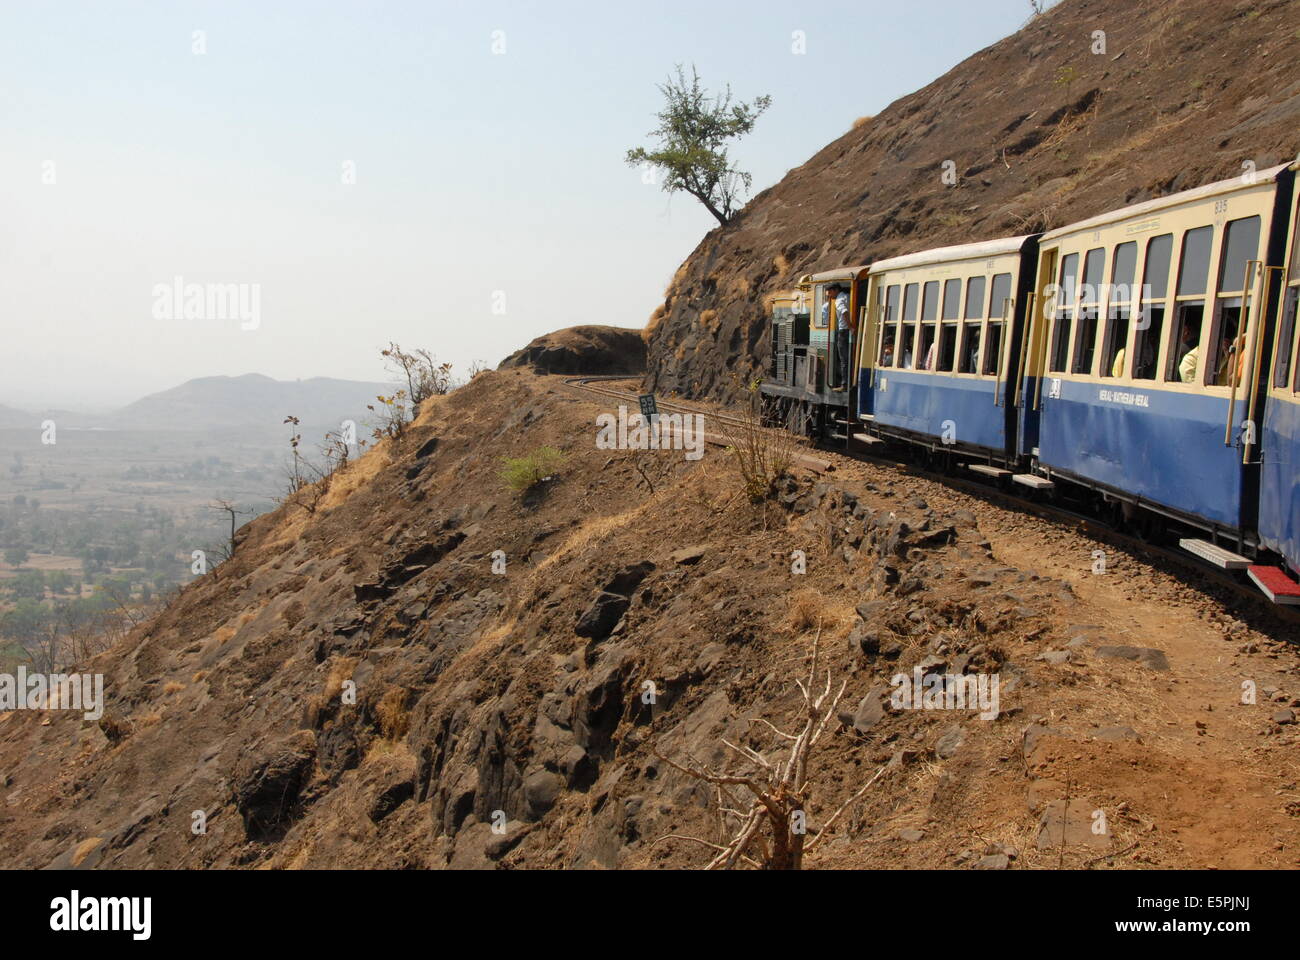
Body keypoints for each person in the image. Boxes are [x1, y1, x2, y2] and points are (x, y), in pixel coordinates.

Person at [822, 283, 851, 389]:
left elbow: (844, 311)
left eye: (829, 292)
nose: (829, 295)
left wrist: (850, 326)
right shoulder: (847, 296)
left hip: (843, 331)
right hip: (846, 330)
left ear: (835, 290)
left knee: (843, 359)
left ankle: (844, 384)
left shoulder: (839, 300)